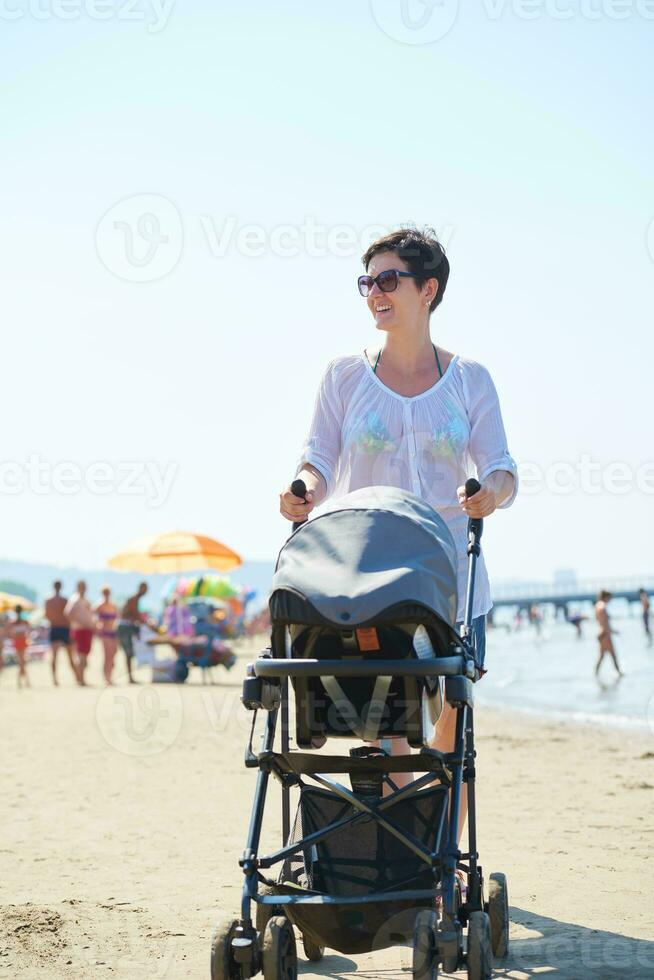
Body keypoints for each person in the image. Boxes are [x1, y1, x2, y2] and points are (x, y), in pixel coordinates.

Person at [279, 227, 518, 844]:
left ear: (428, 289)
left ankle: (435, 861)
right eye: (368, 282)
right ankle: (397, 855)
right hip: (366, 580)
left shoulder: (470, 380)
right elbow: (319, 460)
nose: (374, 293)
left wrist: (490, 493)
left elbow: (501, 467)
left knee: (451, 727)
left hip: (453, 583)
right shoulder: (344, 377)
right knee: (386, 724)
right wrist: (303, 490)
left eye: (389, 280)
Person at [44, 580, 77, 686]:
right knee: (70, 656)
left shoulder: (48, 601)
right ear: (61, 587)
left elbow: (47, 615)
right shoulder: (64, 600)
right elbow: (69, 616)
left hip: (54, 628)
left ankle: (55, 680)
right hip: (64, 628)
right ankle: (77, 678)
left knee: (54, 656)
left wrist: (55, 620)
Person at [117, 582, 151, 684]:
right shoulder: (133, 599)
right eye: (144, 589)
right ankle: (130, 678)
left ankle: (130, 677)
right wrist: (148, 623)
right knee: (128, 653)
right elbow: (135, 615)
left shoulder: (136, 600)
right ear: (140, 588)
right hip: (125, 627)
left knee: (130, 653)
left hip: (128, 627)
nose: (145, 591)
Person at [65, 581, 95, 686]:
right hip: (79, 630)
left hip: (87, 630)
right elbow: (68, 613)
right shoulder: (74, 599)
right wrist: (81, 622)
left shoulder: (86, 600)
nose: (83, 588)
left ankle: (80, 678)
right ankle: (80, 679)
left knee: (84, 655)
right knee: (81, 655)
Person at [594, 590, 623, 678]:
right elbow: (604, 622)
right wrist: (610, 631)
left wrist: (612, 631)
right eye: (610, 598)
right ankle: (619, 673)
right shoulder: (602, 606)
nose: (610, 600)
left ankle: (596, 674)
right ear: (606, 597)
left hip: (602, 633)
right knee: (612, 655)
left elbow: (602, 622)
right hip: (605, 634)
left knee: (603, 656)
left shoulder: (597, 605)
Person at [94, 586, 119, 685]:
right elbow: (94, 617)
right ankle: (106, 678)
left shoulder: (113, 605)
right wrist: (98, 626)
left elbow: (116, 619)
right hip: (105, 633)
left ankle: (110, 676)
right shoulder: (99, 605)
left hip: (113, 632)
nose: (107, 594)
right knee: (107, 656)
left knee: (113, 655)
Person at [10, 604, 31, 688]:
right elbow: (28, 631)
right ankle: (24, 681)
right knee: (22, 661)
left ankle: (21, 681)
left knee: (21, 661)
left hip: (17, 642)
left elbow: (11, 633)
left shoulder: (13, 622)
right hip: (22, 641)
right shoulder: (24, 621)